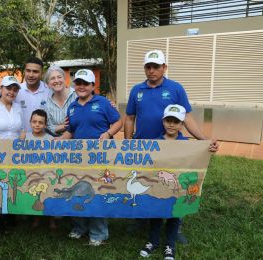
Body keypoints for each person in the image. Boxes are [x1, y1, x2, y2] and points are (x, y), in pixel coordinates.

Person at [124, 49, 218, 243]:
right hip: (145, 149)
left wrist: (203, 139)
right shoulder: (136, 90)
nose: (152, 70)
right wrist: (127, 144)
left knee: (175, 185)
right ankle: (141, 220)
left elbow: (188, 117)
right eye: (148, 67)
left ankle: (176, 224)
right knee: (146, 185)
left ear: (164, 67)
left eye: (156, 66)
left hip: (172, 149)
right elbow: (130, 118)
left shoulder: (176, 88)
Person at [140, 104, 216, 259]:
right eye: (168, 120)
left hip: (178, 188)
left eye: (176, 121)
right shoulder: (154, 143)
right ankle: (153, 241)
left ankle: (170, 244)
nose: (172, 124)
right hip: (159, 188)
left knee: (175, 215)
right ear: (163, 121)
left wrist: (208, 147)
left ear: (182, 124)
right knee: (156, 215)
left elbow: (199, 156)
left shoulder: (188, 145)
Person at [60, 69, 123, 246]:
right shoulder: (72, 107)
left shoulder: (103, 102)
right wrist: (58, 141)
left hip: (99, 158)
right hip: (77, 159)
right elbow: (71, 131)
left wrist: (109, 134)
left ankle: (98, 232)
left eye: (85, 83)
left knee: (97, 192)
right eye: (78, 83)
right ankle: (80, 227)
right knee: (77, 190)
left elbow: (118, 121)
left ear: (92, 86)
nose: (81, 86)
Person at [24, 109, 57, 230]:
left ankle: (52, 220)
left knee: (49, 195)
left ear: (45, 125)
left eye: (40, 122)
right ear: (30, 122)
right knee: (35, 196)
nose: (37, 125)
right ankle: (36, 218)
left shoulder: (51, 139)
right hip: (31, 174)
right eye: (34, 122)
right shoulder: (24, 137)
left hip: (47, 173)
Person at [15, 57, 50, 132]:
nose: (31, 75)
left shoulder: (49, 91)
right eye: (28, 71)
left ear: (42, 73)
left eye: (35, 71)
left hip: (43, 140)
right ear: (24, 71)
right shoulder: (16, 91)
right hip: (20, 139)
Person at [45, 65, 77, 137]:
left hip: (79, 142)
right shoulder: (47, 103)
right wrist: (63, 126)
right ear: (48, 84)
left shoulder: (76, 96)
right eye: (52, 78)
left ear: (64, 79)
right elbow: (49, 126)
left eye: (59, 77)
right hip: (59, 145)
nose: (56, 81)